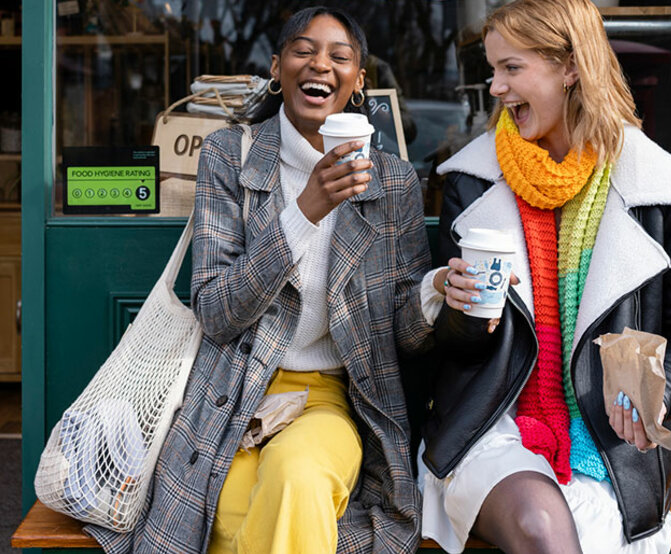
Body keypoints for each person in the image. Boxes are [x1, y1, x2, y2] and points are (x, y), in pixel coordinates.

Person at [86, 7, 437, 553]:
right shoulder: (230, 156)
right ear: (277, 68)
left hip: (332, 399)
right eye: (303, 50)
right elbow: (218, 312)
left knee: (297, 479)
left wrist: (437, 295)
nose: (319, 63)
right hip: (233, 394)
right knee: (230, 513)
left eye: (339, 56)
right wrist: (304, 211)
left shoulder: (391, 182)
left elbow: (404, 333)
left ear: (359, 82)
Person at [414, 1, 671, 553]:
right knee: (542, 525)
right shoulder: (472, 182)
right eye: (492, 70)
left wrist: (659, 393)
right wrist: (456, 307)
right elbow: (458, 352)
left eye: (512, 69)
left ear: (570, 68)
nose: (495, 88)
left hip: (614, 445)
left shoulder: (656, 187)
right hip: (494, 426)